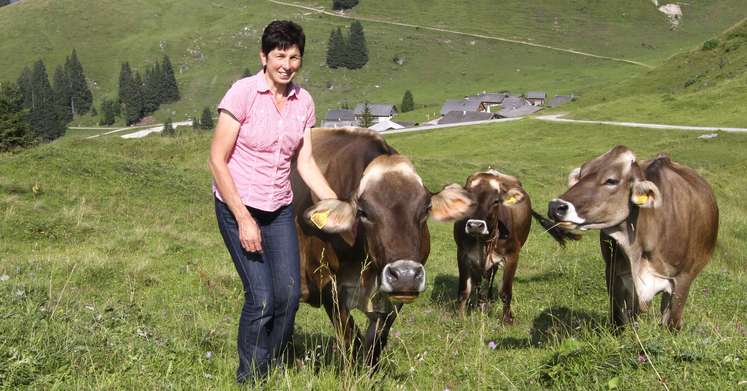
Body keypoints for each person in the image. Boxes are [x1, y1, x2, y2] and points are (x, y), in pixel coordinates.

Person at [208, 20, 337, 384]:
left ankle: (273, 364)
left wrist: (335, 202)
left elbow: (305, 161)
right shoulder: (243, 93)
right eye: (279, 55)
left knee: (291, 295)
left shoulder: (304, 101)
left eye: (294, 57)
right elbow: (217, 160)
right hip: (239, 208)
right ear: (264, 56)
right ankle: (249, 378)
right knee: (262, 298)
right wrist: (244, 218)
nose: (287, 64)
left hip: (279, 208)